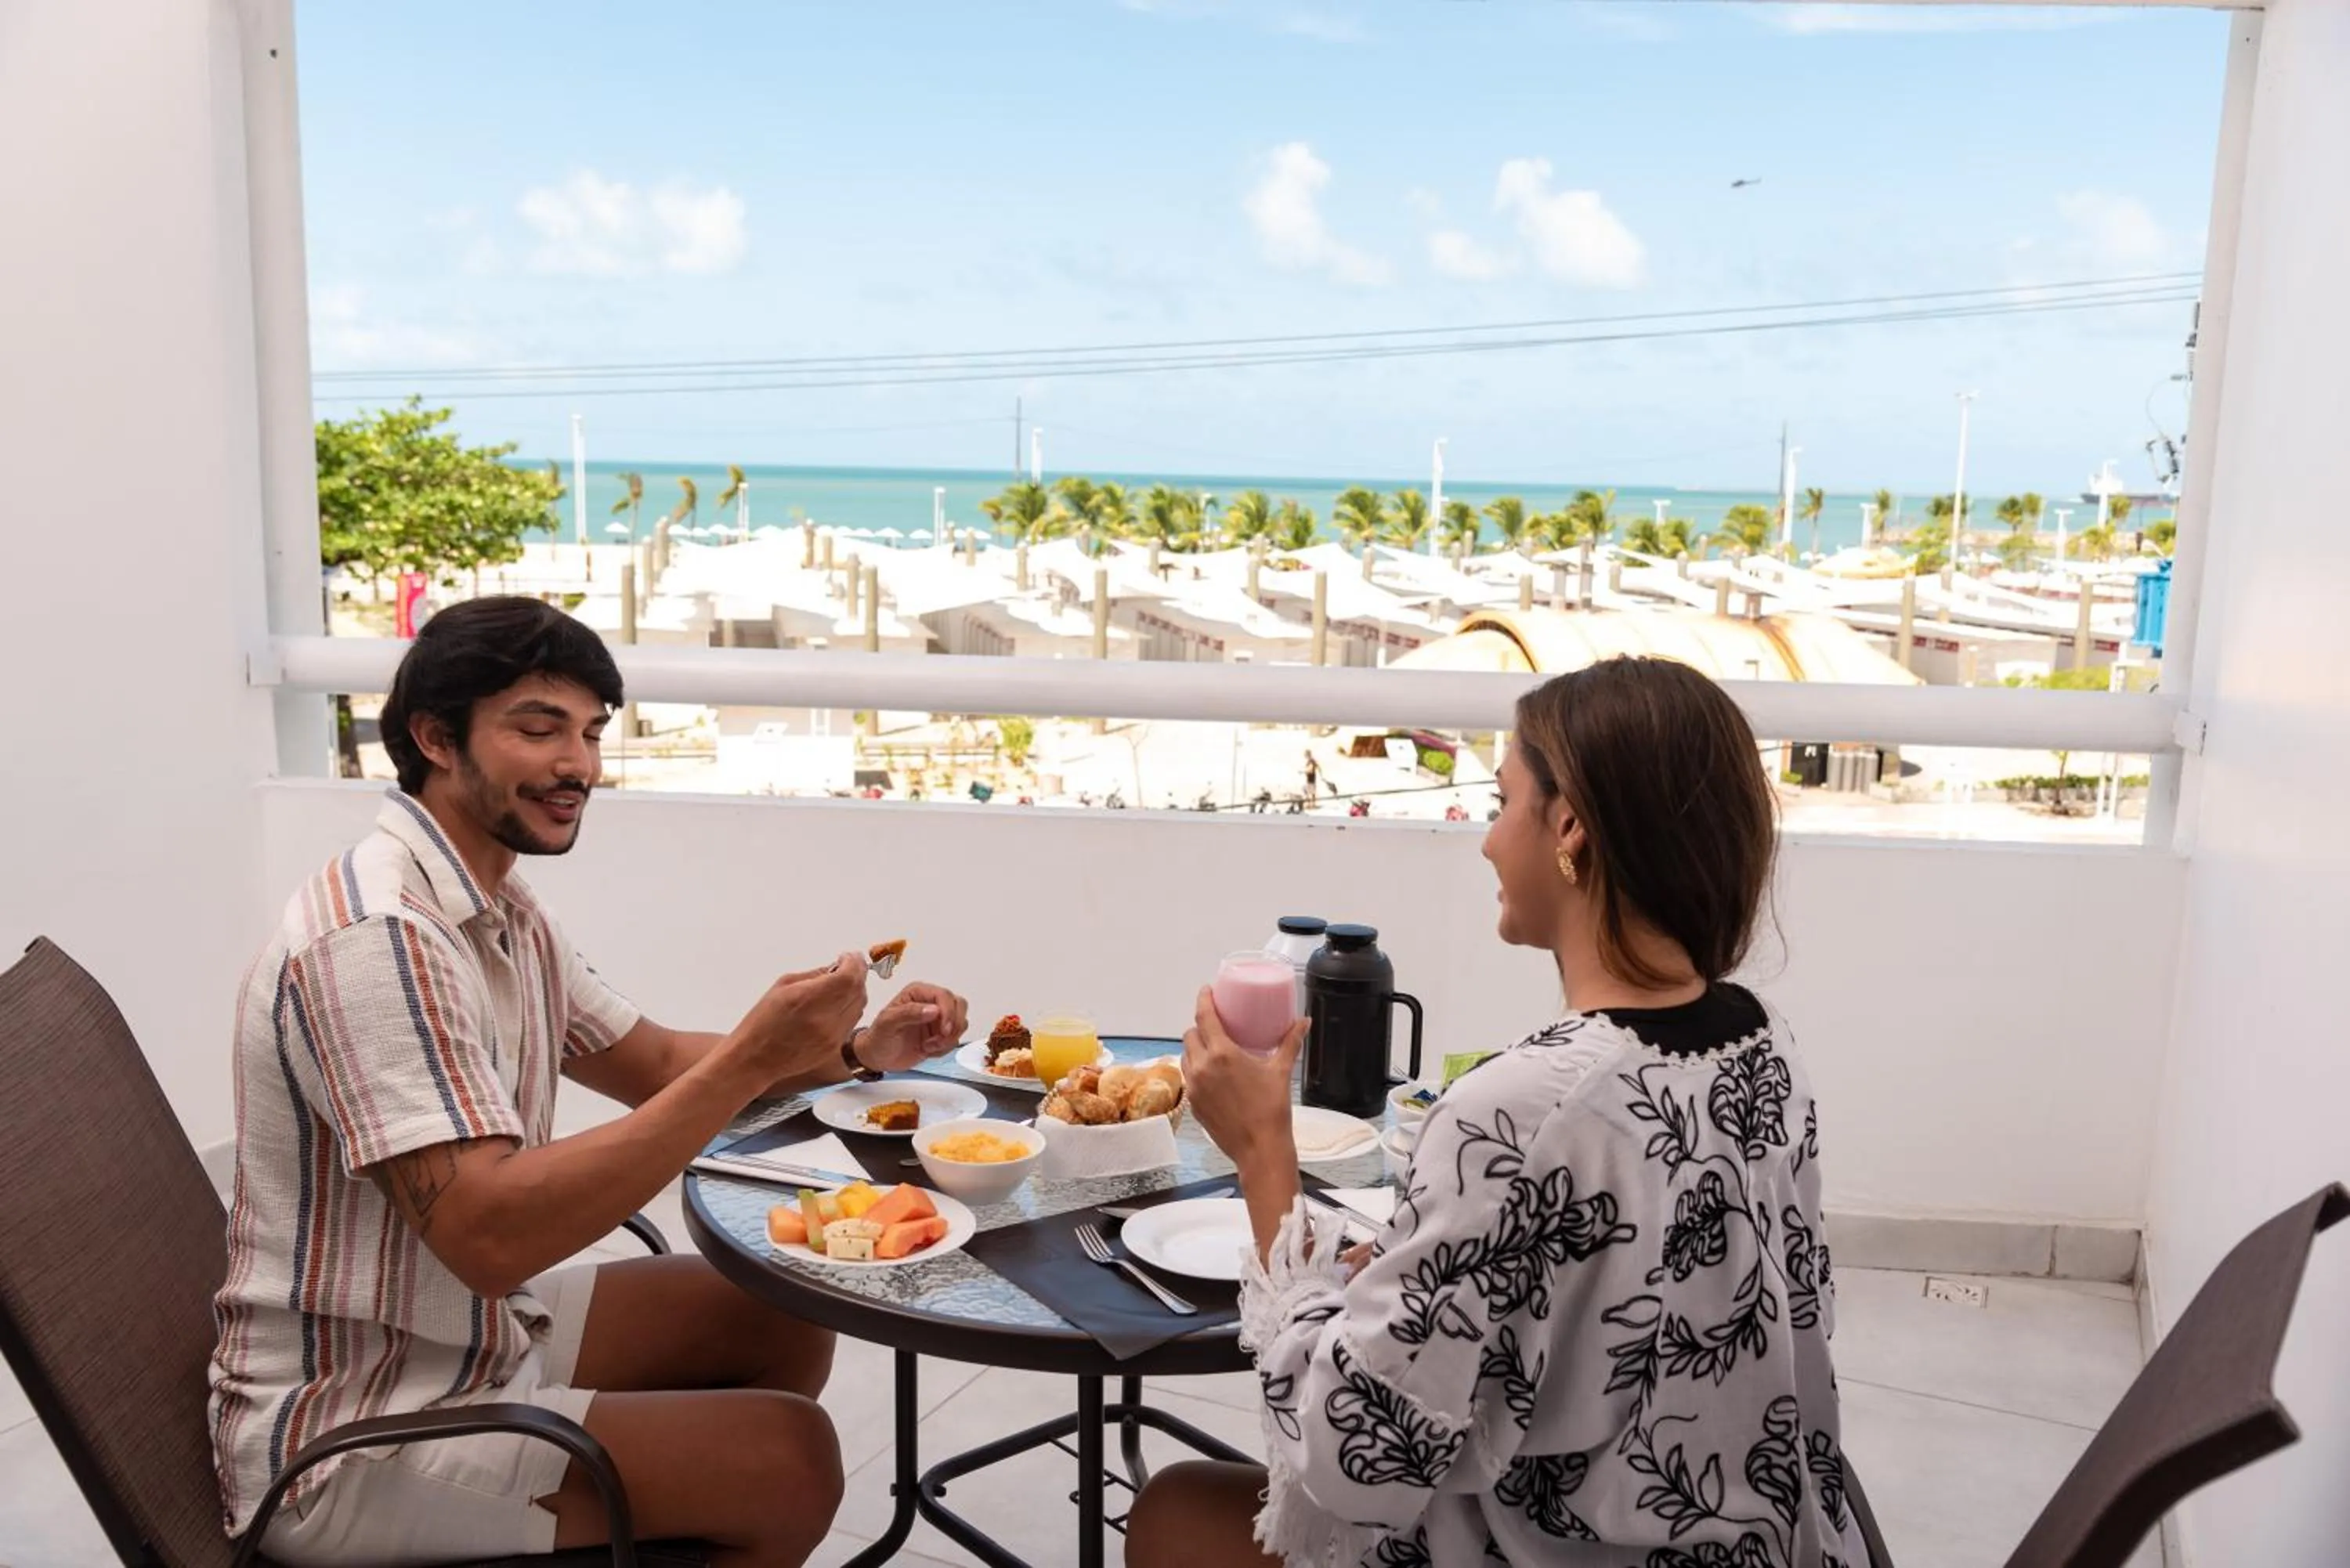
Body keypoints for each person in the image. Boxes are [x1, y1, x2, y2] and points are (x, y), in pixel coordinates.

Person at [210, 597, 971, 1568]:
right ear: (436, 738)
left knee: (778, 1303)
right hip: (352, 1422)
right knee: (789, 1461)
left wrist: (860, 1053)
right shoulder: (379, 942)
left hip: (467, 1336)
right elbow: (491, 1237)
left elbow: (652, 1063)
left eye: (592, 733)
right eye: (540, 728)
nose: (580, 765)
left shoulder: (500, 906)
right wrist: (752, 1055)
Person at [1139, 656, 1862, 1568]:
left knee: (1170, 1514)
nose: (1486, 840)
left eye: (1501, 799)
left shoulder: (1515, 1114)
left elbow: (1353, 1456)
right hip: (1775, 1541)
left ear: (1569, 827)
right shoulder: (1761, 1041)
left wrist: (1262, 1155)